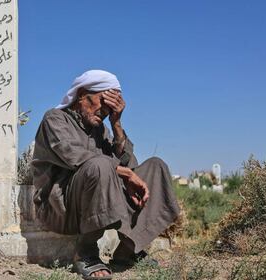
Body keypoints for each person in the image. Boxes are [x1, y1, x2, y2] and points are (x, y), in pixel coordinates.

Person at [31, 70, 180, 279]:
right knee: (100, 165)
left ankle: (128, 248)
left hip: (93, 196)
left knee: (156, 167)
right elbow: (75, 155)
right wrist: (122, 172)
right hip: (61, 207)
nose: (105, 111)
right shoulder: (55, 119)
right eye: (103, 102)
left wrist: (116, 124)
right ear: (82, 94)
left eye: (111, 108)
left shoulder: (100, 129)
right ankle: (86, 253)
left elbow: (130, 164)